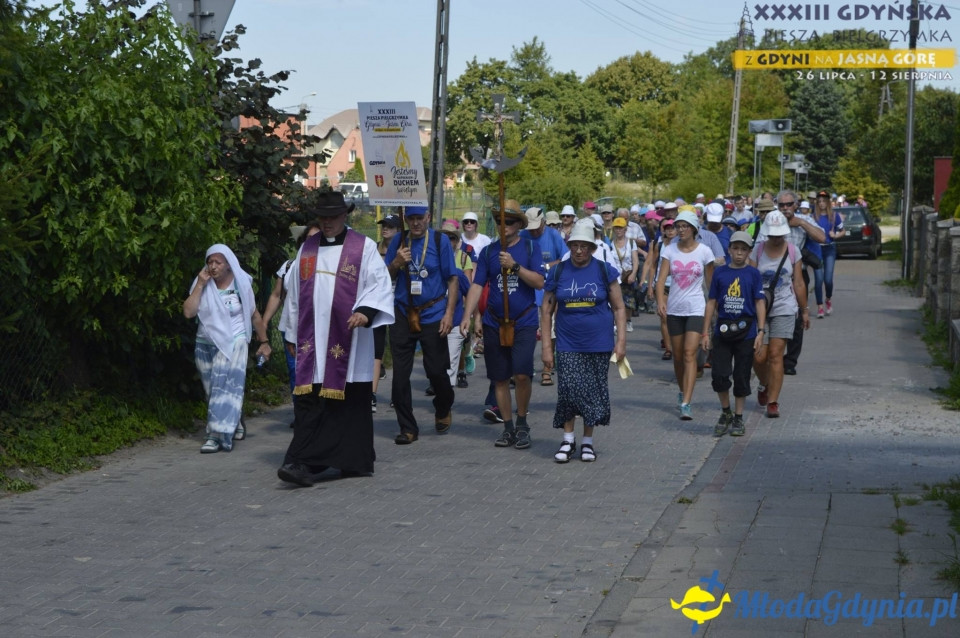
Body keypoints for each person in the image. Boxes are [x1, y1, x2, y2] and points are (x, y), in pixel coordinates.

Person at [276, 192, 394, 485]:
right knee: (311, 401)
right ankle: (302, 462)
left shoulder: (362, 247)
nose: (327, 222)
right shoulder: (307, 249)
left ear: (344, 216)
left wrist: (366, 311)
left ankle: (351, 461)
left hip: (349, 340)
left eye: (332, 217)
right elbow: (294, 294)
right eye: (322, 217)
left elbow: (379, 284)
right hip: (312, 342)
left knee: (350, 403)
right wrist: (290, 331)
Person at [461, 199, 545, 450]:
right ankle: (508, 427)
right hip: (494, 322)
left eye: (509, 221)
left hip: (524, 321)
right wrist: (468, 315)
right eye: (499, 221)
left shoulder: (530, 248)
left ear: (518, 224)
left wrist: (514, 266)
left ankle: (522, 423)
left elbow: (539, 282)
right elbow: (477, 285)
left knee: (522, 374)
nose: (503, 225)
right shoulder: (489, 252)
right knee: (499, 378)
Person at [541, 221, 626, 463]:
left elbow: (619, 308)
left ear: (592, 248)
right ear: (569, 246)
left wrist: (621, 342)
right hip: (567, 343)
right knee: (568, 390)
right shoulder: (558, 271)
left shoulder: (604, 271)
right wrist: (546, 347)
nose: (579, 251)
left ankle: (587, 441)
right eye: (575, 246)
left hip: (599, 343)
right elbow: (546, 310)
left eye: (584, 246)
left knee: (592, 391)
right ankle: (568, 440)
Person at [184, 244, 271, 453]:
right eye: (210, 262)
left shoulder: (241, 283)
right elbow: (188, 312)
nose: (213, 266)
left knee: (222, 389)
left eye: (218, 262)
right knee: (212, 390)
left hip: (234, 341)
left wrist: (264, 342)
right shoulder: (201, 283)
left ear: (229, 265)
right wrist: (200, 285)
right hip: (205, 343)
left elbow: (254, 315)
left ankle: (215, 436)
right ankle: (235, 421)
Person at [385, 205, 459, 445]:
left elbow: (452, 279)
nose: (416, 223)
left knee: (436, 371)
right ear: (405, 219)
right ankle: (407, 427)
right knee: (399, 378)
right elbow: (383, 277)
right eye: (411, 219)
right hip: (403, 313)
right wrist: (396, 263)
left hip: (433, 312)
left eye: (420, 218)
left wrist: (449, 314)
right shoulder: (398, 240)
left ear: (428, 217)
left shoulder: (439, 241)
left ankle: (443, 406)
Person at [703, 231, 767, 437]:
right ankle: (726, 412)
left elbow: (759, 302)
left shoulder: (753, 274)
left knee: (741, 375)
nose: (739, 253)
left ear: (749, 252)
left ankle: (738, 416)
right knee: (719, 375)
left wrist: (761, 331)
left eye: (743, 249)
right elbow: (711, 302)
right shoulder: (720, 273)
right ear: (729, 249)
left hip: (746, 332)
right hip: (723, 330)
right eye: (736, 248)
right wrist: (705, 332)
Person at [654, 211, 715, 421]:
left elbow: (711, 284)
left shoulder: (705, 252)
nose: (680, 230)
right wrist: (660, 301)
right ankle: (682, 391)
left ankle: (687, 402)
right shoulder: (670, 250)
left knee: (690, 354)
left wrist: (713, 307)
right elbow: (661, 279)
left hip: (696, 308)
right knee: (678, 357)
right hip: (674, 309)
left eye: (684, 226)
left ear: (694, 229)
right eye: (678, 226)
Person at [758, 190, 824, 376]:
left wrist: (801, 223)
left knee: (797, 318)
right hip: (771, 276)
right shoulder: (771, 220)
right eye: (781, 205)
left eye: (788, 205)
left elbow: (822, 237)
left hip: (797, 272)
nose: (785, 208)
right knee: (771, 313)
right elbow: (760, 244)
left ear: (795, 205)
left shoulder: (804, 220)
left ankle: (790, 360)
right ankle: (770, 353)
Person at [750, 210, 809, 419]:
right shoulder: (757, 250)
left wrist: (804, 310)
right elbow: (750, 279)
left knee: (776, 355)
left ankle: (773, 401)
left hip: (785, 306)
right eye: (772, 235)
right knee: (758, 356)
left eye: (779, 235)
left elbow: (799, 282)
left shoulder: (793, 251)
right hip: (760, 307)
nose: (776, 238)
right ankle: (764, 383)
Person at [262, 222, 322, 423]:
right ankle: (301, 414)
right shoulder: (289, 266)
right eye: (309, 238)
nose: (313, 242)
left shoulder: (328, 267)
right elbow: (276, 295)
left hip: (319, 328)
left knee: (318, 372)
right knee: (296, 372)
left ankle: (318, 414)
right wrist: (264, 322)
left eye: (318, 238)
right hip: (292, 328)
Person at [520, 206, 566, 385]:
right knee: (528, 331)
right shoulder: (523, 236)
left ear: (543, 222)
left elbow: (564, 259)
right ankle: (525, 367)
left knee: (551, 330)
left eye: (537, 227)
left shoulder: (553, 236)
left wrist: (546, 266)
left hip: (549, 289)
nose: (534, 231)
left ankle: (547, 368)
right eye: (531, 228)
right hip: (528, 290)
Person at [440, 219, 474, 389]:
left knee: (450, 362)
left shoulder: (461, 264)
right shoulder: (432, 264)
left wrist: (469, 318)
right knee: (437, 363)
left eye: (452, 238)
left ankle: (449, 389)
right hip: (433, 321)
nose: (448, 241)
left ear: (457, 241)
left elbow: (471, 292)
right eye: (444, 237)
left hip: (455, 321)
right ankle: (441, 386)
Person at [642, 217, 677, 358]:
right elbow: (653, 266)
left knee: (676, 317)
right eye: (667, 228)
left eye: (672, 228)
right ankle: (668, 349)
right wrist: (650, 286)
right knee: (664, 316)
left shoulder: (681, 245)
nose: (670, 231)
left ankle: (677, 345)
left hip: (678, 285)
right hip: (663, 285)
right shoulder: (659, 245)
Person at [812, 190, 845, 319]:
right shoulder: (813, 217)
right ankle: (820, 307)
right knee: (818, 280)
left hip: (829, 249)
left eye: (824, 201)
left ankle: (828, 299)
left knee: (828, 280)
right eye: (819, 201)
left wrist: (835, 235)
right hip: (817, 249)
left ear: (828, 202)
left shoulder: (834, 216)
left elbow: (843, 231)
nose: (821, 203)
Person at [610, 217, 640, 331]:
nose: (618, 230)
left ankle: (628, 321)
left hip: (627, 275)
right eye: (616, 228)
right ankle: (616, 322)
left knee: (629, 300)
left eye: (621, 228)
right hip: (615, 276)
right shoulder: (610, 243)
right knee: (615, 300)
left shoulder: (631, 243)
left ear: (625, 229)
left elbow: (635, 260)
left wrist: (633, 274)